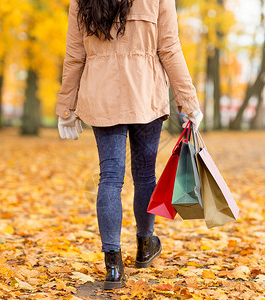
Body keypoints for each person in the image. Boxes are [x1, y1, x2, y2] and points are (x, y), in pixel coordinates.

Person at [56, 0, 203, 290]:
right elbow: (170, 48)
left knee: (110, 178)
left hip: (101, 94)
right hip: (145, 93)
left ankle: (113, 265)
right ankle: (145, 245)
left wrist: (66, 107)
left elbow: (75, 55)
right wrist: (188, 100)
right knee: (145, 175)